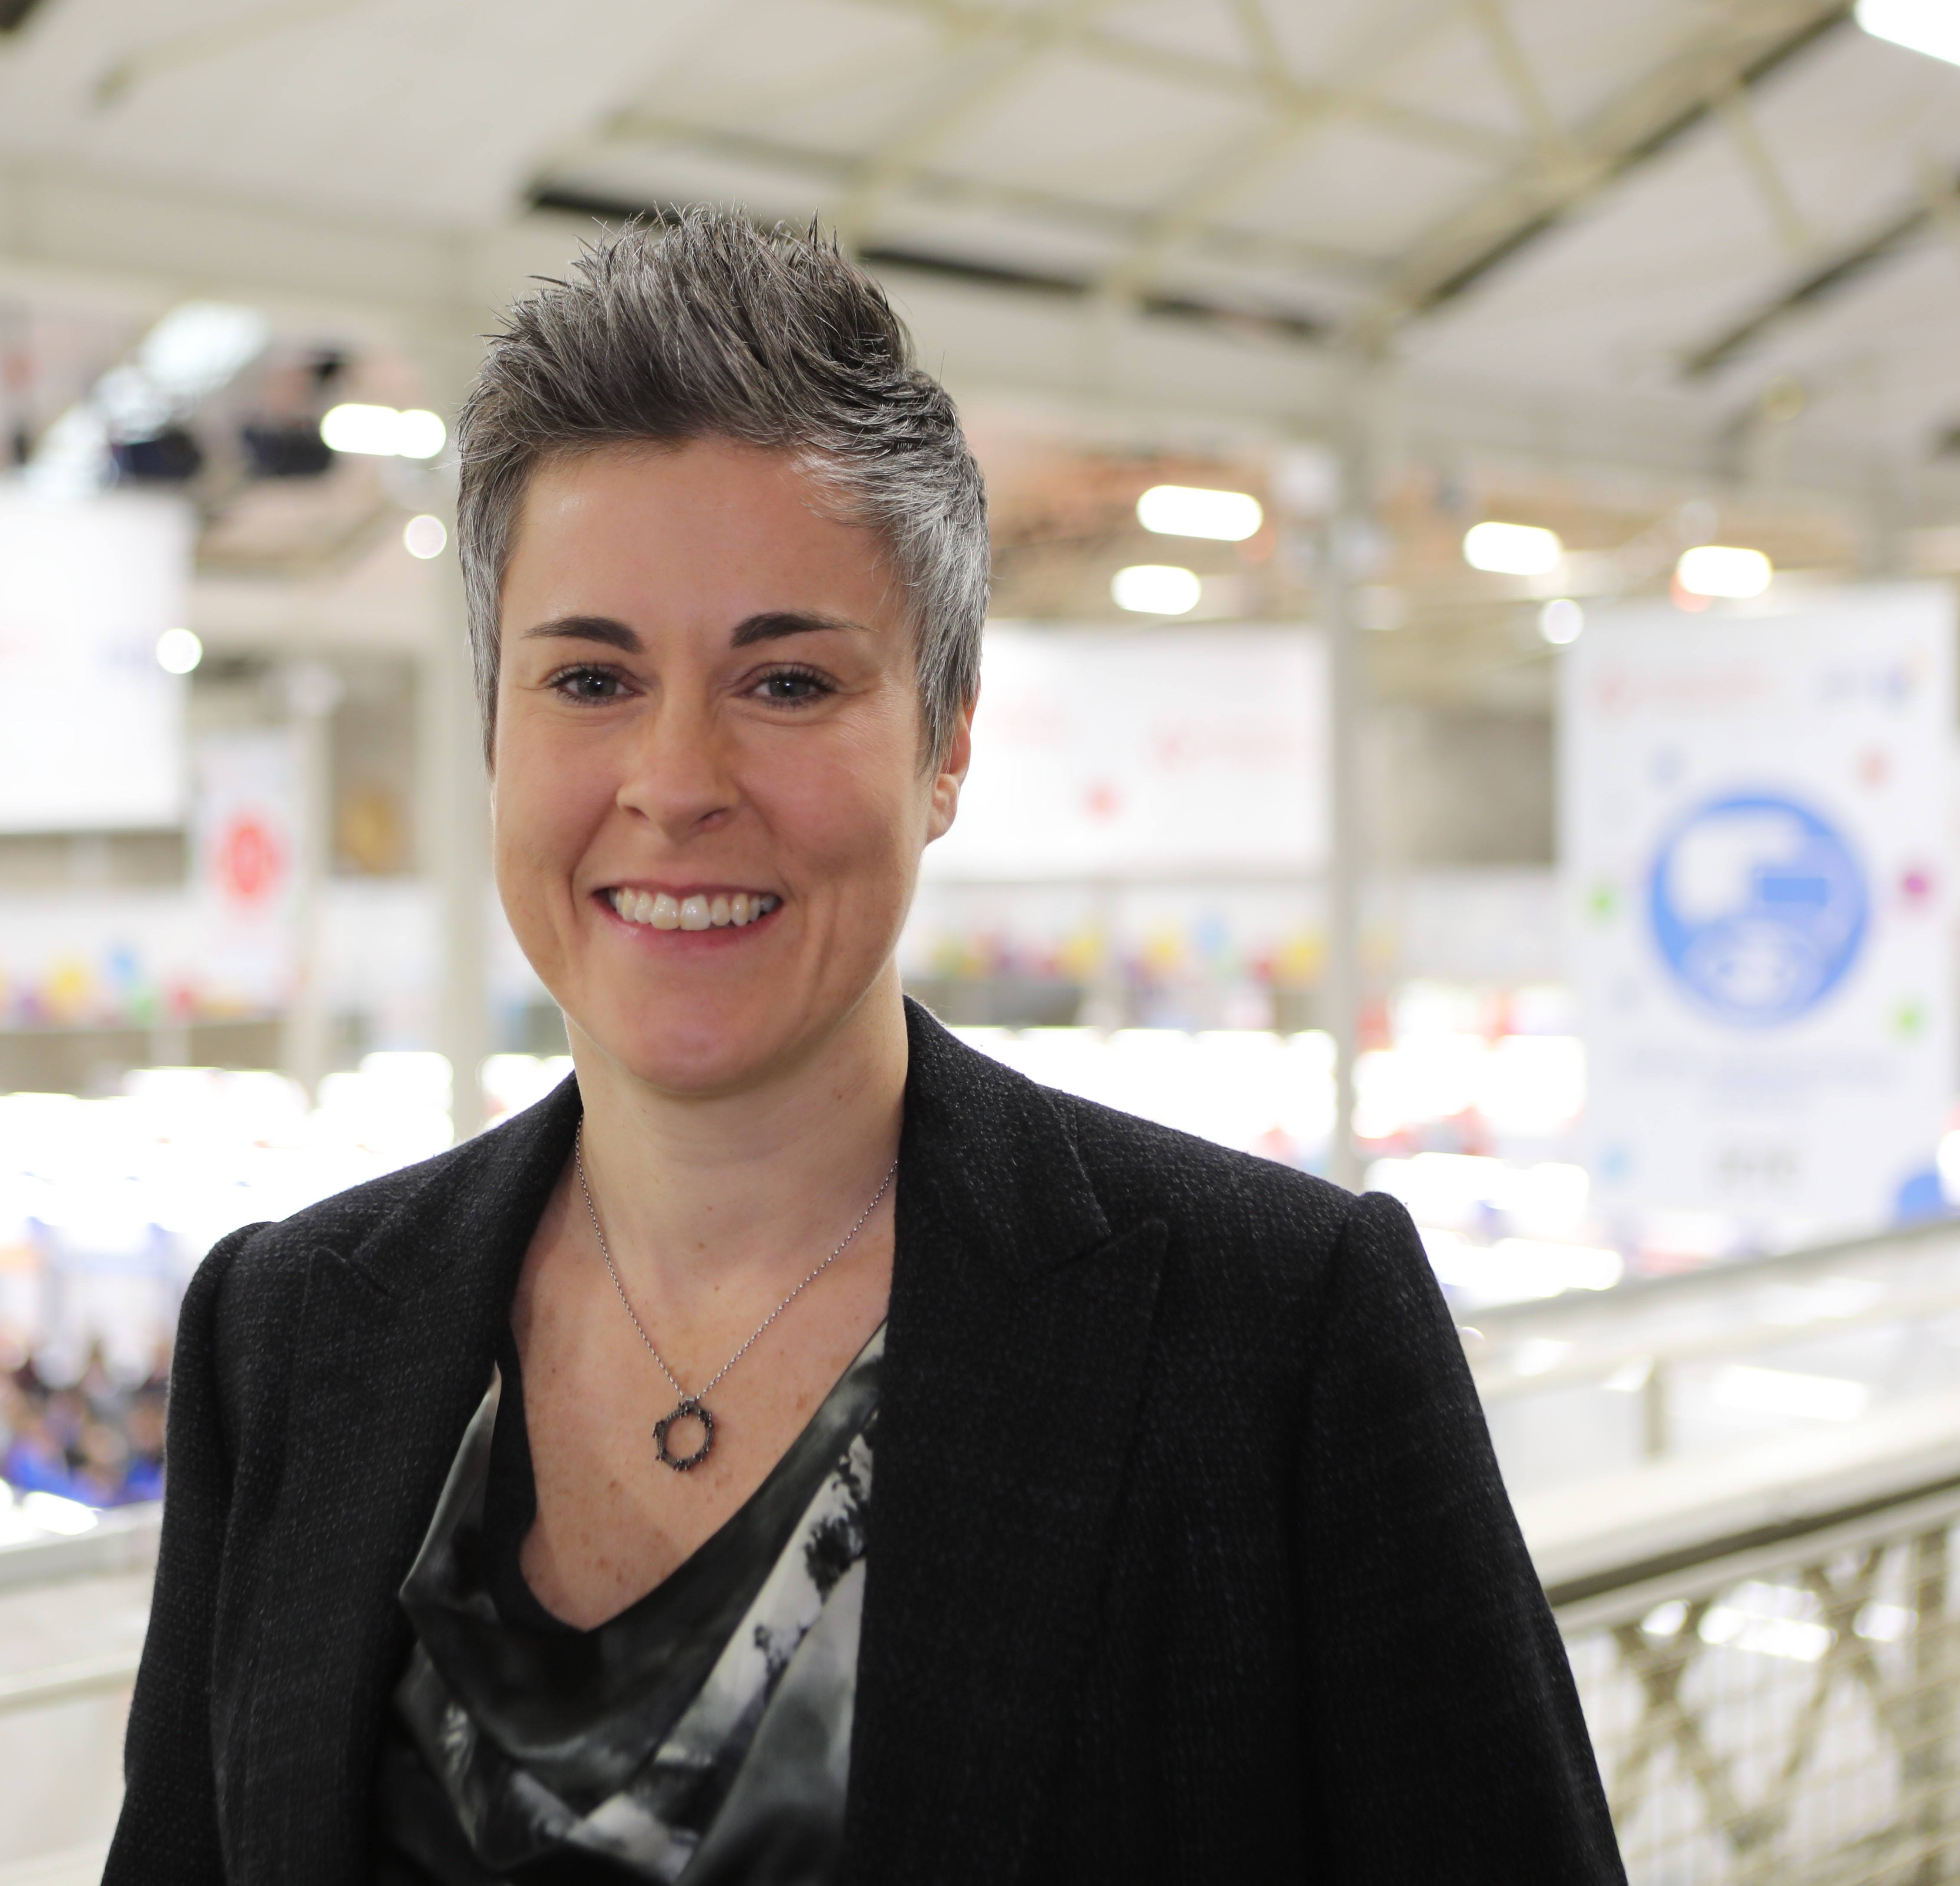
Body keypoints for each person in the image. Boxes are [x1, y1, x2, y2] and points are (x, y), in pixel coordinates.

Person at [105, 211, 1620, 1883]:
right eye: (591, 679)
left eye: (789, 682)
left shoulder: (1268, 1337)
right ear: (492, 727)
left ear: (946, 742)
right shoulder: (295, 1335)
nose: (674, 782)